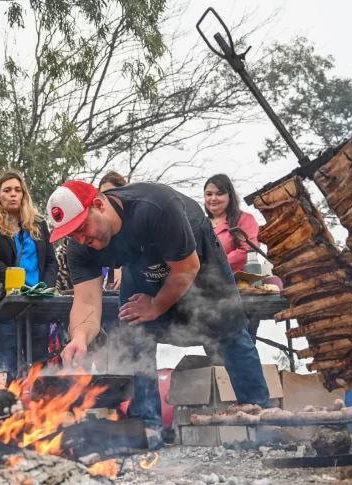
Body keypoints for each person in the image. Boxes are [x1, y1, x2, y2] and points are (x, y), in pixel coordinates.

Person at [47, 181, 270, 449]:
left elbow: (186, 269)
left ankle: (261, 420)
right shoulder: (80, 247)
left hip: (196, 260)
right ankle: (147, 427)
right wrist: (80, 337)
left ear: (98, 205)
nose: (81, 240)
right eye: (72, 234)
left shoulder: (155, 207)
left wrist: (155, 305)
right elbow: (86, 303)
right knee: (132, 330)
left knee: (229, 330)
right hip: (142, 267)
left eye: (82, 228)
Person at [0, 170, 58, 382]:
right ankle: (10, 410)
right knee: (8, 365)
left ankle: (41, 410)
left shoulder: (38, 224)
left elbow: (51, 261)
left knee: (39, 363)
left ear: (24, 194)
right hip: (5, 302)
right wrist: (19, 285)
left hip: (37, 303)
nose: (13, 194)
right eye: (7, 190)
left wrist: (43, 288)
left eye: (17, 190)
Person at [56, 171, 127, 293]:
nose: (108, 200)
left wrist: (125, 270)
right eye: (104, 194)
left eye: (113, 195)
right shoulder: (78, 245)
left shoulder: (139, 224)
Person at [203, 174, 259, 273]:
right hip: (198, 285)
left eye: (219, 194)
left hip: (236, 284)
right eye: (209, 194)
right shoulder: (199, 224)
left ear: (230, 196)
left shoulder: (244, 219)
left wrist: (213, 269)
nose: (213, 198)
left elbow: (248, 250)